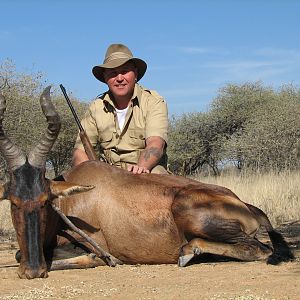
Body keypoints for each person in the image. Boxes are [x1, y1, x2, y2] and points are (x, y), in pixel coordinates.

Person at [72, 43, 169, 174]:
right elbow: (80, 152)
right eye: (113, 73)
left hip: (144, 172)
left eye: (124, 71)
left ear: (135, 74)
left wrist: (140, 168)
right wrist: (93, 175)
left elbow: (156, 144)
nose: (119, 78)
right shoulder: (96, 107)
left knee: (157, 174)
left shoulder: (153, 101)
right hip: (110, 176)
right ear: (105, 78)